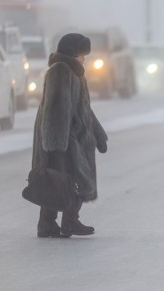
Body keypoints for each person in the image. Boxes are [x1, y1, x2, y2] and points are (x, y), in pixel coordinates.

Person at [32, 33, 108, 238]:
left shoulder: (74, 73)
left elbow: (83, 108)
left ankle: (48, 223)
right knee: (69, 181)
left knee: (60, 182)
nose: (84, 58)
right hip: (63, 140)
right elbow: (56, 109)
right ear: (74, 54)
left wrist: (98, 133)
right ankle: (67, 222)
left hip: (71, 138)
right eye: (82, 55)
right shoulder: (61, 72)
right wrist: (56, 146)